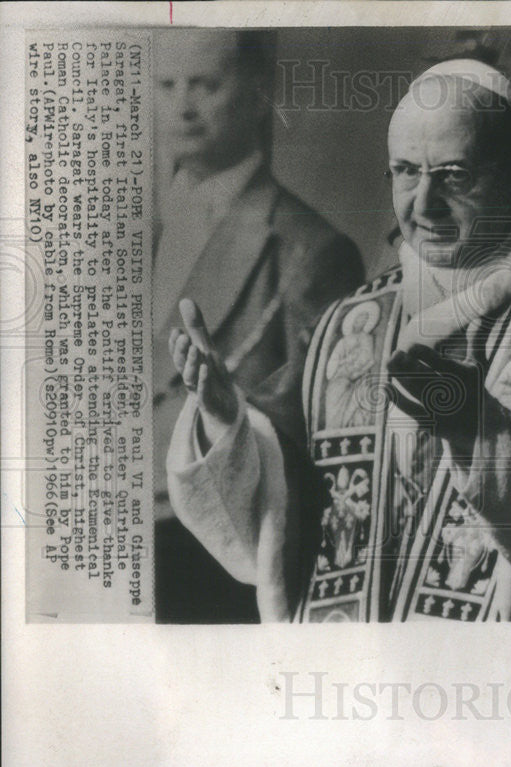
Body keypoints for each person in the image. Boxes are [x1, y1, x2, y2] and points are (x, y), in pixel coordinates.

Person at [165, 60, 511, 622]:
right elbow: (274, 498)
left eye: (454, 174)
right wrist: (223, 422)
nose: (424, 203)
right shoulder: (353, 322)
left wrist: (479, 432)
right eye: (407, 172)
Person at [151, 29, 365, 622]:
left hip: (208, 561)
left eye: (205, 84)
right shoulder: (127, 225)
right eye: (166, 85)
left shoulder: (311, 249)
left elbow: (325, 437)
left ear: (258, 92)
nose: (182, 105)